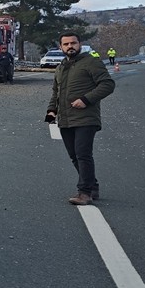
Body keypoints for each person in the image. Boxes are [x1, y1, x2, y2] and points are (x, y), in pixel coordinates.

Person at [46, 31, 115, 205]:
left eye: (73, 43)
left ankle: (84, 193)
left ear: (79, 44)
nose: (70, 46)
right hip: (65, 118)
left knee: (83, 154)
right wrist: (51, 111)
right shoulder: (61, 66)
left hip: (86, 118)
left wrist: (86, 99)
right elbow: (56, 92)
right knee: (74, 156)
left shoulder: (91, 62)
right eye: (66, 44)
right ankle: (92, 186)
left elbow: (108, 84)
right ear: (60, 47)